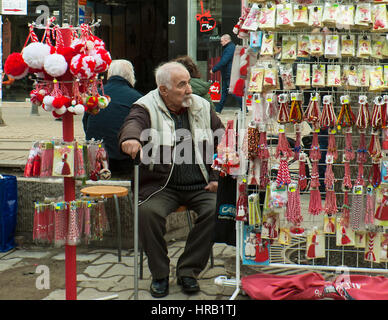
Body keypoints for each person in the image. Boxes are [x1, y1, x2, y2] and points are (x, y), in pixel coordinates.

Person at [118, 61, 224, 298]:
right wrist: (132, 139)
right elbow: (133, 123)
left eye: (188, 82)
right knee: (147, 212)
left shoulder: (202, 106)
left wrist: (217, 176)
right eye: (181, 85)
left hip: (201, 183)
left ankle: (188, 271)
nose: (189, 90)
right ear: (163, 90)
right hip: (160, 185)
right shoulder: (145, 106)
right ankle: (160, 274)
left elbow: (224, 142)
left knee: (216, 209)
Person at [82, 59, 143, 178]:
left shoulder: (95, 97)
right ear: (131, 77)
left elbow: (86, 125)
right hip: (124, 161)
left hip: (95, 158)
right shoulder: (138, 98)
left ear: (109, 75)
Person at [210, 34, 242, 114]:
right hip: (227, 73)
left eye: (222, 41)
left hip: (229, 74)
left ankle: (244, 107)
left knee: (233, 91)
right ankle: (218, 109)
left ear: (226, 40)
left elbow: (224, 61)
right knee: (224, 92)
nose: (221, 43)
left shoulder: (230, 48)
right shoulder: (229, 47)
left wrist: (214, 69)